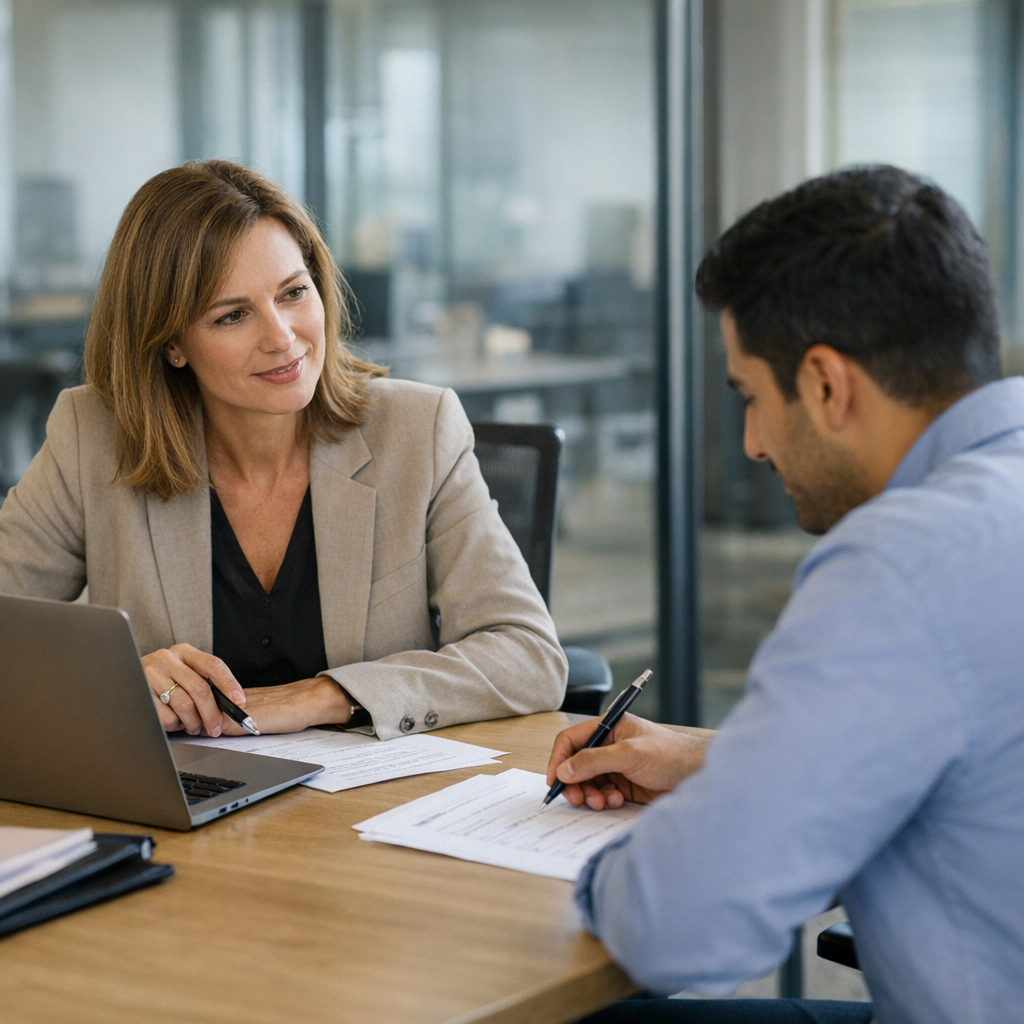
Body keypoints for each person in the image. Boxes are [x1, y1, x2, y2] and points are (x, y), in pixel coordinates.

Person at [547, 166, 1024, 1023]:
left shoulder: (899, 565)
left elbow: (680, 927)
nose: (754, 445)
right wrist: (719, 763)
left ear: (826, 384)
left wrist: (608, 871)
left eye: (752, 399)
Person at [0, 159, 567, 740]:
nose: (282, 337)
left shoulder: (418, 431)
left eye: (294, 292)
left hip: (369, 811)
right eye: (233, 315)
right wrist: (114, 681)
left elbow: (528, 656)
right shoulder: (92, 436)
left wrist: (327, 696)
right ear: (171, 341)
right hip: (183, 805)